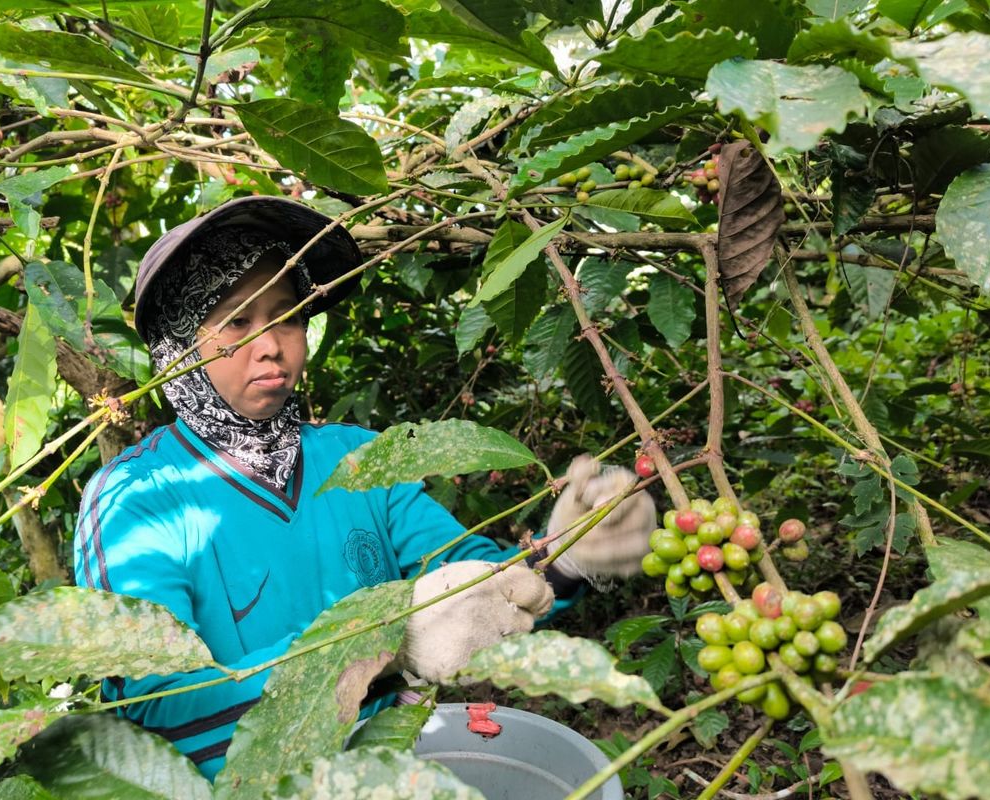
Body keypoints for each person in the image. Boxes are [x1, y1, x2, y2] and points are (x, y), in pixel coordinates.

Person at [73, 196, 656, 782]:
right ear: (178, 343)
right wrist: (375, 644)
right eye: (236, 322)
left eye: (287, 315)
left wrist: (564, 557)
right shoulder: (134, 499)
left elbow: (471, 584)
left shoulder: (357, 458)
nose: (272, 345)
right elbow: (148, 714)